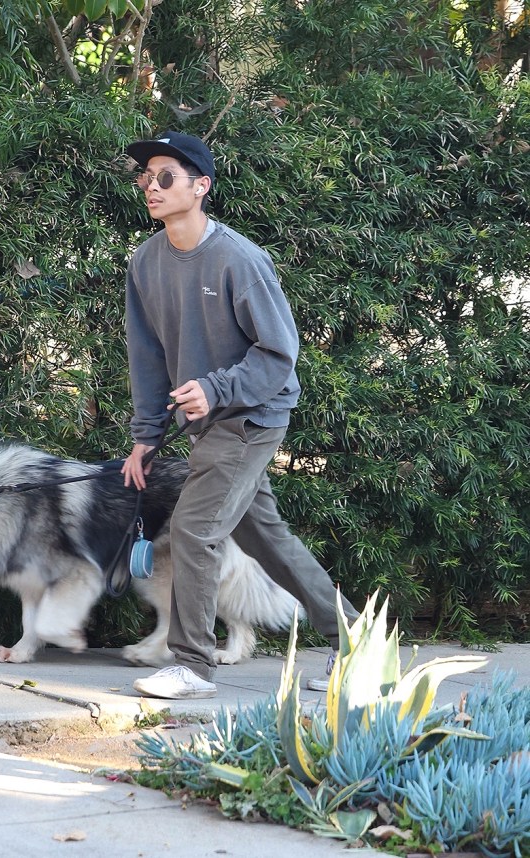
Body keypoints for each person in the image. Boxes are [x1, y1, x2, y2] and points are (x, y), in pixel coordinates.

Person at [121, 130, 359, 699]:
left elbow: (278, 352)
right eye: (144, 177)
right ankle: (358, 641)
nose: (150, 186)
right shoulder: (147, 261)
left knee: (195, 529)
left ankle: (192, 664)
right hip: (209, 416)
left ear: (200, 187)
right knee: (267, 539)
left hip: (254, 412)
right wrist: (145, 436)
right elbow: (148, 356)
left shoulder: (239, 259)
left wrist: (216, 387)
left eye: (164, 177)